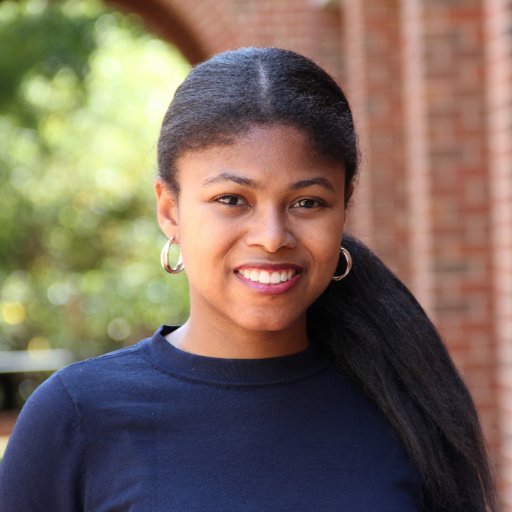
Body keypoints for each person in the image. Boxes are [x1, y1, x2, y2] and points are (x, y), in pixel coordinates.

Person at [0, 47, 497, 511]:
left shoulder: (407, 406)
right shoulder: (77, 418)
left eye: (308, 203)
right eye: (232, 199)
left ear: (343, 208)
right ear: (169, 210)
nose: (273, 237)